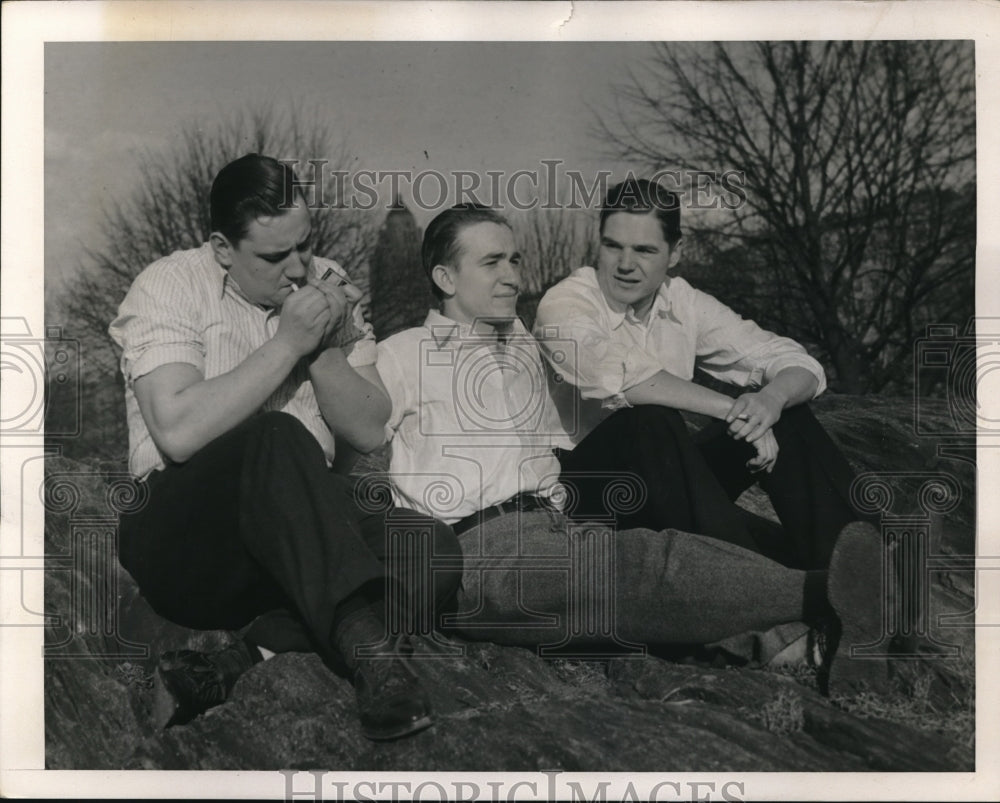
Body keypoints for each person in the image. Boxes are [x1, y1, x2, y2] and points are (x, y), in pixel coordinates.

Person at [375, 203, 890, 695]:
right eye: (492, 262)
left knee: (671, 537)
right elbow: (340, 439)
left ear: (674, 252)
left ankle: (857, 606)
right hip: (489, 539)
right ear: (445, 278)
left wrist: (767, 404)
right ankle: (833, 600)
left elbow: (779, 361)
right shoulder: (403, 353)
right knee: (644, 542)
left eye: (514, 260)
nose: (511, 275)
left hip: (567, 514)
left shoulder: (529, 347)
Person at [108, 154, 461, 741]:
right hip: (186, 536)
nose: (300, 269)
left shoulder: (324, 277)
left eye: (305, 245)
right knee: (276, 434)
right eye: (275, 257)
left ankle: (242, 657)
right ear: (223, 248)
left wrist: (322, 349)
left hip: (300, 539)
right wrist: (287, 343)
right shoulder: (169, 285)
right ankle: (370, 655)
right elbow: (176, 430)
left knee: (432, 548)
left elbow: (370, 428)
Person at [534, 177, 869, 570]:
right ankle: (758, 587)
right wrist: (733, 409)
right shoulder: (566, 302)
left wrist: (769, 401)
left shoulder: (684, 302)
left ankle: (863, 574)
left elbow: (794, 361)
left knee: (785, 415)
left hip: (664, 480)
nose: (625, 265)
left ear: (676, 252)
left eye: (644, 250)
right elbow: (621, 377)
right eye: (613, 246)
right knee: (648, 420)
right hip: (585, 490)